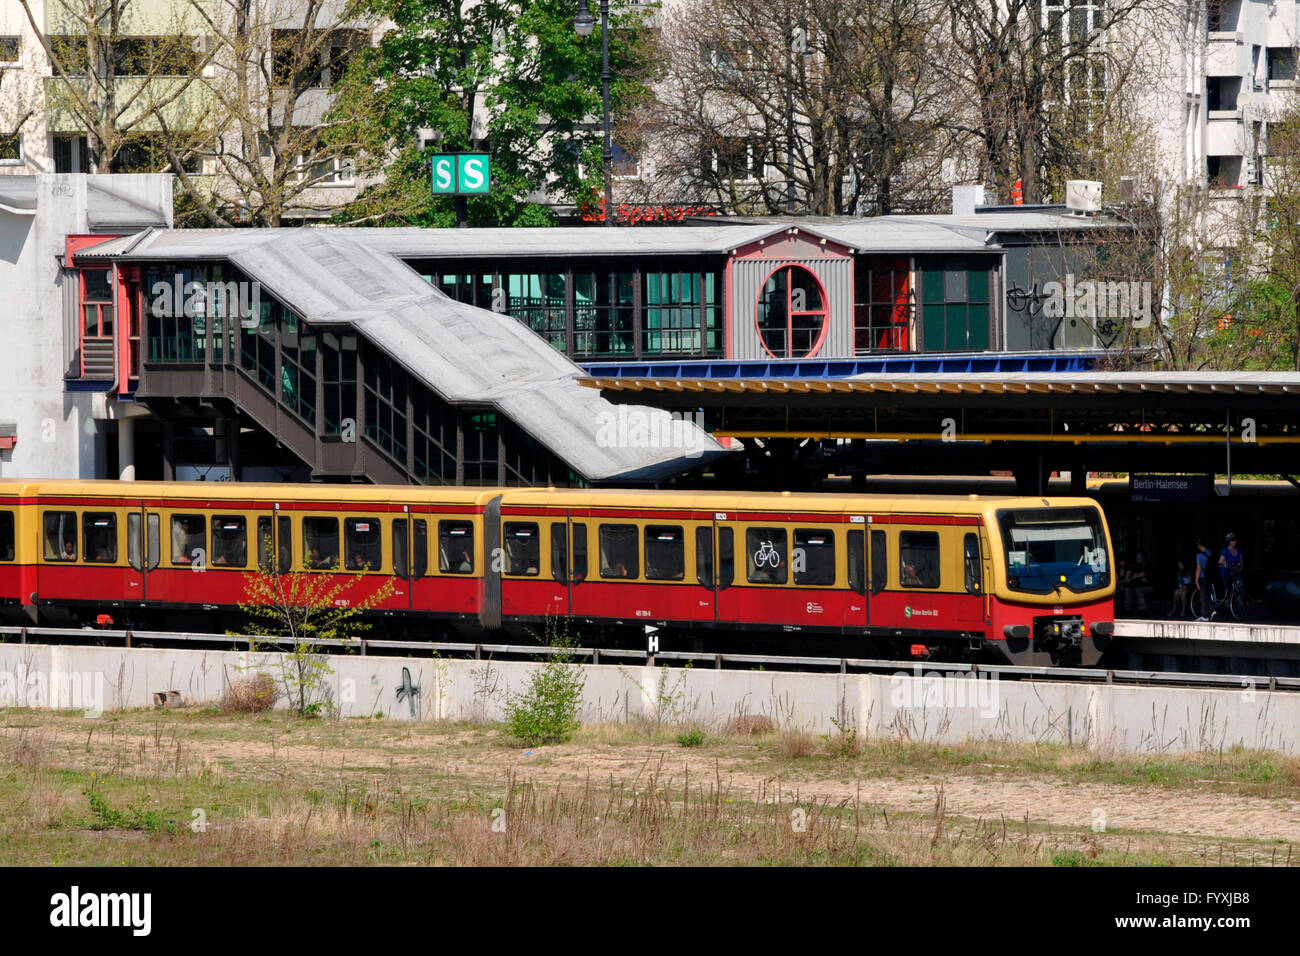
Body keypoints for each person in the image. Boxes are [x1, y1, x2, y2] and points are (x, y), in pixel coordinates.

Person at [1194, 539, 1213, 621]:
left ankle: (1205, 616)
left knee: (1203, 596)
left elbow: (1198, 568)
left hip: (1202, 577)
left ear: (1199, 546)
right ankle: (1212, 611)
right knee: (1209, 595)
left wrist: (1196, 579)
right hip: (1210, 576)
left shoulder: (1199, 555)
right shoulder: (1210, 553)